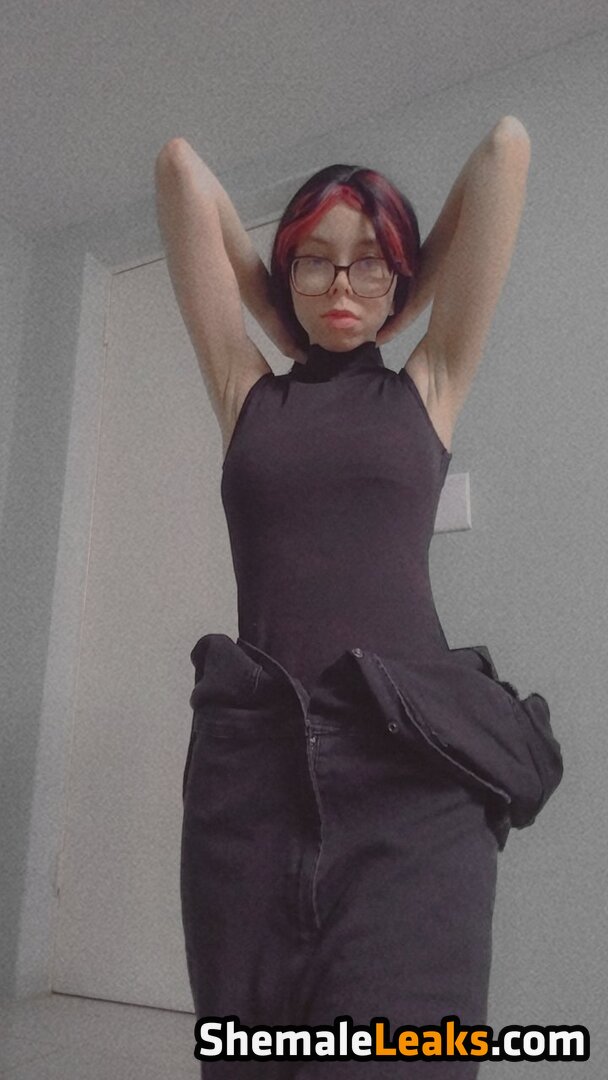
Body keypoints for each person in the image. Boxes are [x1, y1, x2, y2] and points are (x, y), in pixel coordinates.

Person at [155, 119, 562, 1078]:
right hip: (256, 778)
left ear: (403, 278)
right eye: (316, 261)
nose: (342, 283)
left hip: (410, 775)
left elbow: (504, 152)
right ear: (286, 274)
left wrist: (388, 295)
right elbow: (180, 172)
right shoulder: (246, 394)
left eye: (370, 262)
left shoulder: (429, 386)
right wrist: (288, 307)